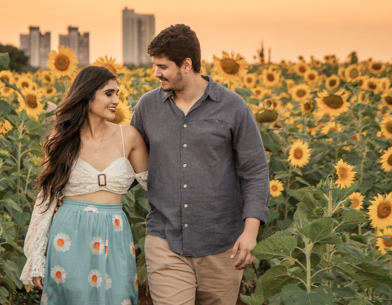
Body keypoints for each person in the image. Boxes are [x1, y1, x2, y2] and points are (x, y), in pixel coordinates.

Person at [130, 24, 269, 305]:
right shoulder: (148, 107)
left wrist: (250, 233)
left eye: (162, 66)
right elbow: (131, 165)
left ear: (187, 64)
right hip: (165, 239)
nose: (156, 73)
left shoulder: (233, 107)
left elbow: (254, 172)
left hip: (222, 245)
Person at [20, 65, 149, 304]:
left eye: (117, 94)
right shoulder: (61, 139)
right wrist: (35, 256)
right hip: (70, 234)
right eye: (109, 93)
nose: (116, 100)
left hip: (116, 233)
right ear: (88, 96)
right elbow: (46, 198)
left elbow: (157, 187)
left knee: (120, 297)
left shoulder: (129, 136)